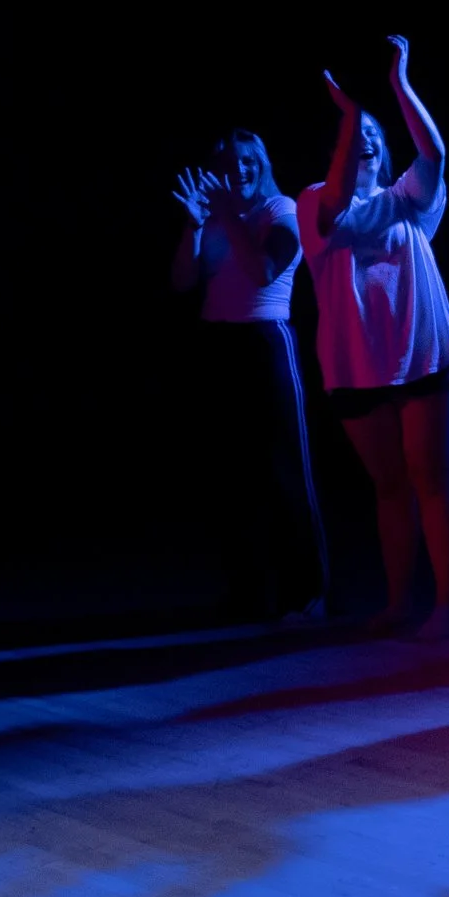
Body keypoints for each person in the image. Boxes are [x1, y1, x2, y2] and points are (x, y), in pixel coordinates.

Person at [297, 36, 449, 639]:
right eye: (354, 134)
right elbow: (335, 201)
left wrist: (399, 83)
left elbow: (435, 152)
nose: (366, 138)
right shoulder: (313, 202)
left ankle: (446, 605)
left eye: (374, 132)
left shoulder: (409, 199)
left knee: (431, 477)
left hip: (423, 354)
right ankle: (399, 602)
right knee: (390, 486)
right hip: (356, 365)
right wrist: (349, 115)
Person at [169, 131, 330, 623]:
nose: (238, 169)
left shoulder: (280, 210)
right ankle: (247, 594)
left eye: (247, 161)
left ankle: (307, 593)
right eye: (228, 163)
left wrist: (229, 216)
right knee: (232, 477)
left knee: (285, 472)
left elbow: (262, 270)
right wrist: (194, 226)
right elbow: (182, 281)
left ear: (261, 164)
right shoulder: (214, 216)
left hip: (265, 341)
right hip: (219, 344)